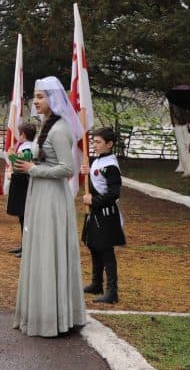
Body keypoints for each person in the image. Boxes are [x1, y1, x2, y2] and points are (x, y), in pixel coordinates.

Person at [12, 76, 86, 338]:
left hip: (53, 198)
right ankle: (41, 311)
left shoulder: (59, 129)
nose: (35, 100)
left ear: (53, 99)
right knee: (40, 250)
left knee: (49, 250)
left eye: (40, 96)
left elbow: (68, 169)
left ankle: (55, 316)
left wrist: (35, 170)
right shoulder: (46, 125)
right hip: (41, 193)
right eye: (35, 95)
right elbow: (46, 158)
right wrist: (28, 161)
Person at [79, 127, 126, 304]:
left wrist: (94, 200)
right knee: (93, 246)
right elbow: (96, 179)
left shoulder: (110, 166)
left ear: (109, 144)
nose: (94, 145)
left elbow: (114, 194)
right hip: (95, 213)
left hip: (106, 213)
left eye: (98, 142)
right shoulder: (98, 161)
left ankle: (112, 291)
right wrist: (87, 172)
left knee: (106, 251)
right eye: (94, 141)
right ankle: (96, 283)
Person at [7, 122, 37, 258]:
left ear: (23, 135)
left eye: (19, 133)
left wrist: (11, 156)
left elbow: (20, 165)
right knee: (21, 217)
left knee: (25, 217)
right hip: (20, 183)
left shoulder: (27, 149)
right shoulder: (23, 147)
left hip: (24, 184)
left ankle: (28, 246)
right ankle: (23, 243)